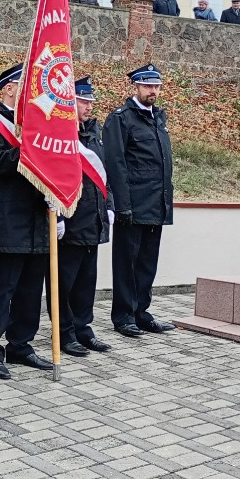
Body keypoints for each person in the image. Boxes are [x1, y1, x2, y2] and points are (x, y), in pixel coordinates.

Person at [0, 64, 54, 379]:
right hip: (7, 218)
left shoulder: (38, 124)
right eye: (25, 85)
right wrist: (29, 145)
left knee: (30, 290)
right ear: (9, 88)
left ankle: (20, 344)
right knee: (1, 290)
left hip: (36, 218)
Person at [103, 64, 175, 338]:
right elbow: (115, 164)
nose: (153, 91)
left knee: (147, 262)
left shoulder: (158, 118)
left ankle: (141, 312)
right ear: (135, 86)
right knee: (127, 263)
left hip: (156, 204)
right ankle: (123, 315)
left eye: (156, 86)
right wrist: (121, 205)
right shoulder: (121, 119)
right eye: (147, 86)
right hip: (132, 205)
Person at [55, 77, 113, 356]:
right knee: (65, 283)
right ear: (69, 102)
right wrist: (57, 217)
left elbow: (105, 173)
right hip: (72, 220)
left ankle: (83, 328)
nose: (89, 106)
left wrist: (109, 206)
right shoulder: (59, 134)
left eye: (91, 101)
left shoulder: (92, 131)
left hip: (94, 218)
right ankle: (65, 333)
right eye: (83, 101)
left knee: (86, 282)